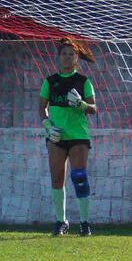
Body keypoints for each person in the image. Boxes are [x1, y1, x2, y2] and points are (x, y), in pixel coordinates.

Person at [39, 37, 97, 236]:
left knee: (79, 177)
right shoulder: (50, 81)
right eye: (64, 54)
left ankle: (85, 222)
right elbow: (41, 108)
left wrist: (82, 105)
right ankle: (60, 221)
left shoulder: (83, 81)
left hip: (78, 136)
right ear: (58, 57)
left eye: (71, 54)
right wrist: (47, 125)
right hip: (56, 136)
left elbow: (93, 109)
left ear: (77, 59)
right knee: (57, 178)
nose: (67, 57)